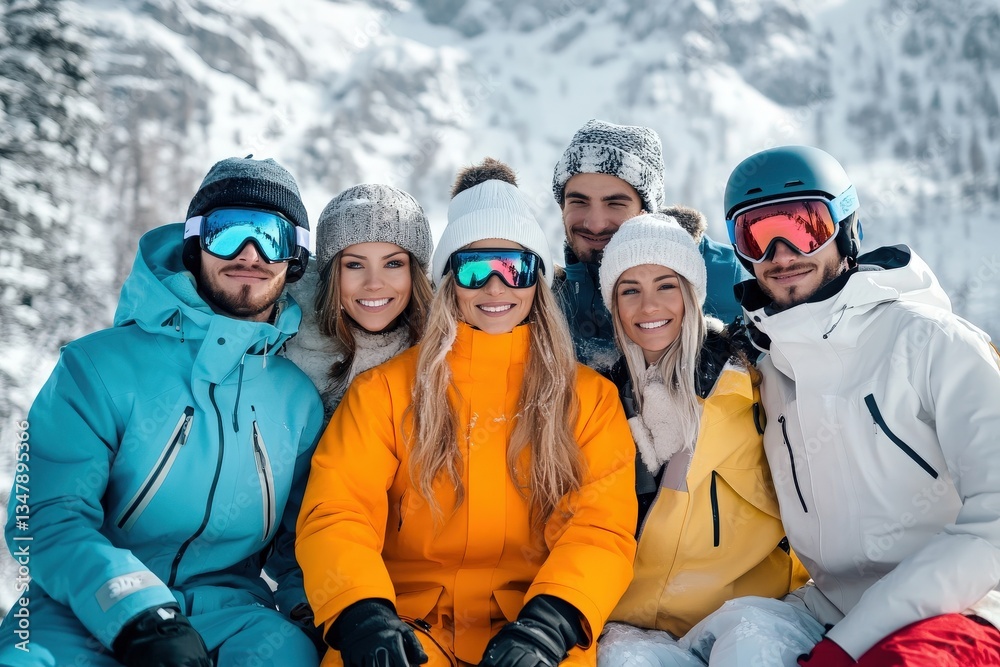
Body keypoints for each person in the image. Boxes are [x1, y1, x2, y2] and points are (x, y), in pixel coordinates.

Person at [296, 160, 638, 667]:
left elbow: (598, 527)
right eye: (476, 270)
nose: (495, 288)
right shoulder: (385, 392)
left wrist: (552, 622)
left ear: (537, 281)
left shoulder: (586, 399)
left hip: (530, 625)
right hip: (406, 625)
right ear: (449, 281)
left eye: (514, 268)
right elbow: (337, 509)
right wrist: (360, 610)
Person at [0, 156, 325, 667]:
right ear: (193, 245)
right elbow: (45, 514)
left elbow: (300, 544)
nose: (249, 253)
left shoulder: (297, 401)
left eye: (272, 237)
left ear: (295, 261)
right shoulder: (98, 366)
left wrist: (319, 611)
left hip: (236, 616)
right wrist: (138, 612)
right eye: (227, 232)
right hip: (85, 604)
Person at [724, 144, 1000, 666]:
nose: (781, 253)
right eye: (756, 236)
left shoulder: (932, 342)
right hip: (829, 609)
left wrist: (848, 647)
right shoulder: (768, 369)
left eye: (805, 226)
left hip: (966, 606)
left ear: (846, 230)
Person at [593, 213, 818, 666]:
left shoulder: (754, 378)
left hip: (746, 608)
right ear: (613, 304)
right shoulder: (598, 397)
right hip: (628, 622)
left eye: (666, 285)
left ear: (692, 293)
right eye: (629, 290)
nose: (648, 307)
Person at [551, 119, 748, 372]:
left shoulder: (727, 273)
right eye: (579, 202)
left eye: (615, 204)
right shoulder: (547, 297)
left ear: (646, 211)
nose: (595, 223)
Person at [284, 183, 433, 421]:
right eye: (354, 264)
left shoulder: (442, 356)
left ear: (415, 273)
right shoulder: (280, 346)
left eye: (393, 264)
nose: (374, 283)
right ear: (332, 275)